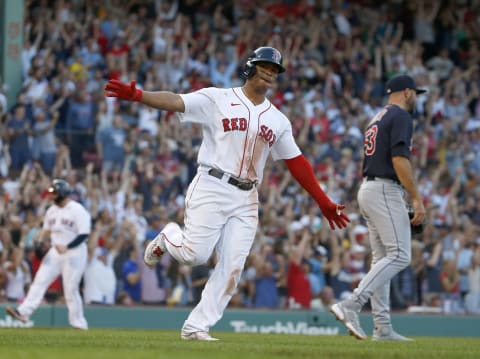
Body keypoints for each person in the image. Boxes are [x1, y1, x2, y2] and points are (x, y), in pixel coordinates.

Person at [105, 46, 350, 341]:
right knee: (195, 255)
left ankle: (197, 326)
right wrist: (140, 96)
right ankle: (168, 236)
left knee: (233, 265)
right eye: (264, 66)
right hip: (212, 184)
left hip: (247, 196)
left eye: (274, 70)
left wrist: (322, 202)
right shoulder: (218, 98)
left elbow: (298, 164)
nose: (269, 73)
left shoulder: (278, 120)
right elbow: (177, 101)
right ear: (250, 67)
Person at [330, 74, 427, 341]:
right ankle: (351, 305)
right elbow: (399, 158)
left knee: (382, 258)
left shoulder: (377, 117)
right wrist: (416, 197)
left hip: (370, 188)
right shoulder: (401, 116)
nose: (417, 98)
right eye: (416, 93)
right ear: (406, 92)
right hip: (384, 188)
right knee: (400, 256)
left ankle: (382, 327)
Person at [6, 178, 91, 329]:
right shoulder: (51, 210)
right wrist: (40, 236)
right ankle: (23, 312)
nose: (51, 195)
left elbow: (84, 233)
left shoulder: (77, 209)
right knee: (39, 280)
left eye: (55, 192)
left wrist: (68, 246)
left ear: (63, 193)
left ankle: (78, 323)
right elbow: (47, 229)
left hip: (75, 252)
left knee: (70, 288)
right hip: (55, 251)